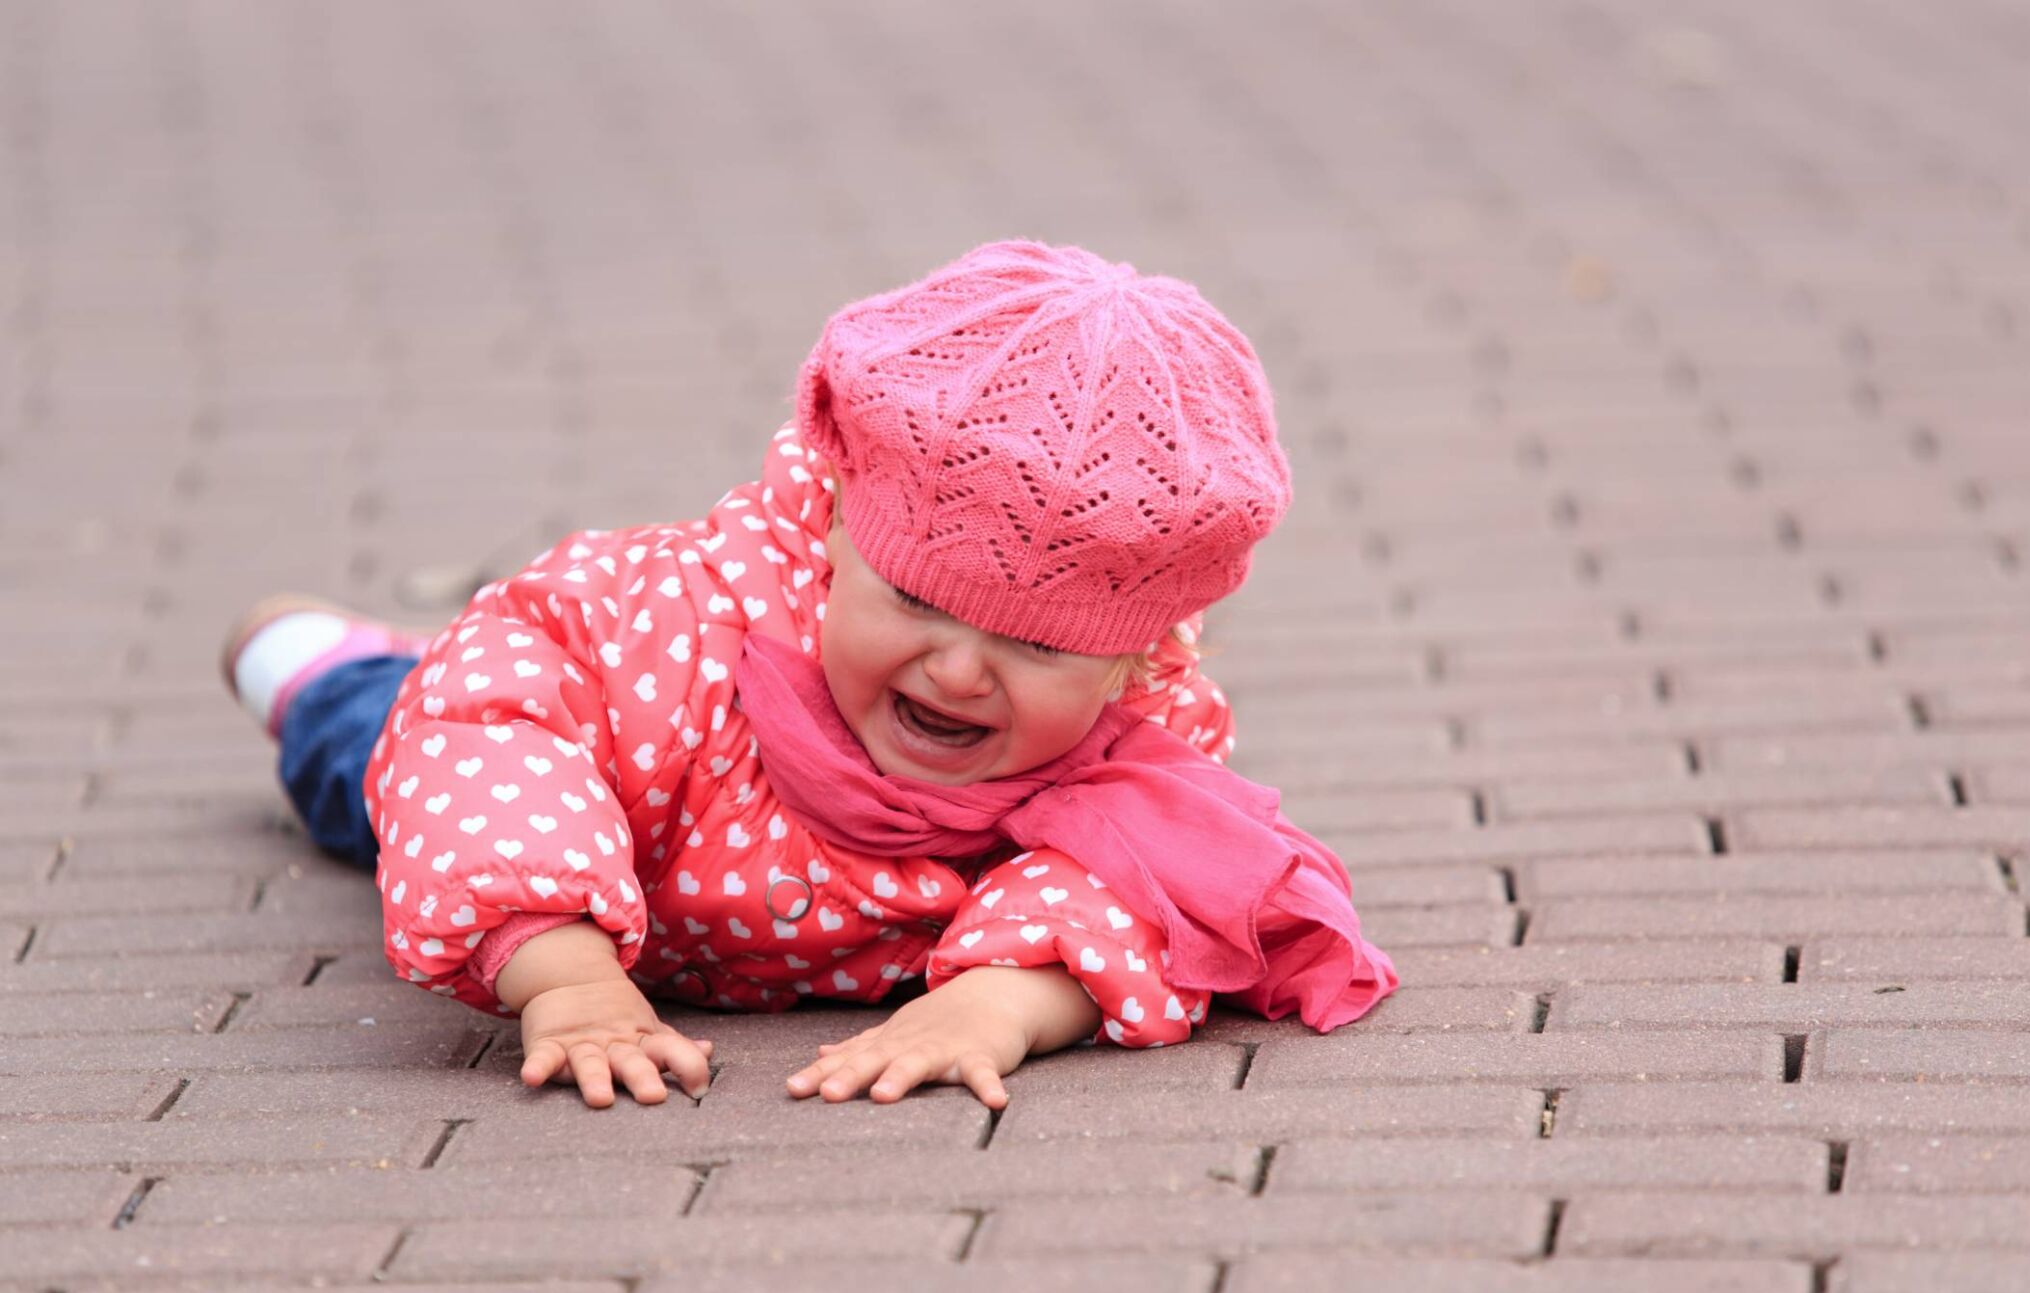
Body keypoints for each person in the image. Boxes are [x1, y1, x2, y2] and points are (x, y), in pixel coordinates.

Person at [220, 240, 1398, 1112]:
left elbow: (1134, 892)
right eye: (916, 602)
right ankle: (312, 661)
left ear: (1130, 659)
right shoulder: (666, 624)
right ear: (833, 529)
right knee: (383, 755)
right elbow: (491, 737)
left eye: (1035, 645)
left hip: (716, 906)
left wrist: (1001, 1003)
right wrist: (565, 979)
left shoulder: (1142, 732)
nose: (957, 667)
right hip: (568, 823)